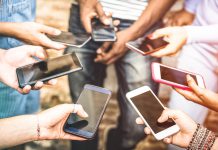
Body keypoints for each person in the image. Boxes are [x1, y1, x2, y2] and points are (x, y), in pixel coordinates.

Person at [66, 0, 176, 149]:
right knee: (82, 119)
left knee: (138, 124)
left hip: (143, 21)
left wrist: (134, 32)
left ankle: (115, 143)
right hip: (87, 16)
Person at [149, 0, 218, 131]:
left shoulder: (190, 34)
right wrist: (190, 7)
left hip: (195, 36)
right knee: (180, 126)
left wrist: (188, 34)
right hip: (201, 48)